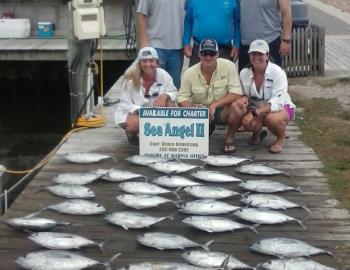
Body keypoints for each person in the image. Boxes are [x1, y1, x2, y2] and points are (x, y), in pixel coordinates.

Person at [177, 39, 244, 153]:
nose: (208, 57)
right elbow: (182, 97)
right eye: (204, 53)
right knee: (193, 147)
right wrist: (193, 108)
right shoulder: (189, 72)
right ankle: (208, 128)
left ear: (217, 54)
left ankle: (229, 139)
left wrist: (215, 105)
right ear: (198, 54)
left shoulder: (229, 66)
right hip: (199, 113)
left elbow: (236, 92)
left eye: (212, 53)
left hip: (221, 110)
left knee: (238, 108)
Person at [237, 39, 296, 153]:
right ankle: (256, 133)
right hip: (257, 108)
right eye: (253, 54)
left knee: (272, 119)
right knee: (247, 123)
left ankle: (280, 138)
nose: (256, 57)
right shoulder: (244, 72)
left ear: (267, 55)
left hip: (283, 107)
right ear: (249, 55)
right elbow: (243, 94)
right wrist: (243, 97)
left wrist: (255, 113)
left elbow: (278, 101)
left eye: (260, 54)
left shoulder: (278, 72)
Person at [114, 47, 177, 145]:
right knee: (135, 124)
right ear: (139, 63)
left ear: (157, 62)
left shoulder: (163, 75)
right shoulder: (129, 78)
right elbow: (125, 104)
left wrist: (165, 95)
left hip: (155, 112)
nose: (148, 64)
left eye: (151, 61)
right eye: (144, 61)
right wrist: (141, 111)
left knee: (170, 104)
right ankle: (131, 134)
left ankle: (160, 136)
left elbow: (173, 91)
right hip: (135, 112)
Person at [137, 0, 186, 89]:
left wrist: (186, 42)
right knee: (153, 87)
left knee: (174, 88)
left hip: (177, 47)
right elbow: (142, 14)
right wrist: (144, 42)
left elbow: (190, 14)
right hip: (155, 46)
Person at [183, 0, 240, 67]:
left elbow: (237, 22)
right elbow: (188, 20)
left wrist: (236, 45)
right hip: (199, 49)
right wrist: (186, 42)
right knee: (194, 76)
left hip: (224, 49)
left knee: (225, 76)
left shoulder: (234, 1)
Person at [238, 0, 292, 71]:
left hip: (270, 44)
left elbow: (286, 13)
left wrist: (286, 39)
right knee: (246, 79)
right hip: (246, 45)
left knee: (272, 78)